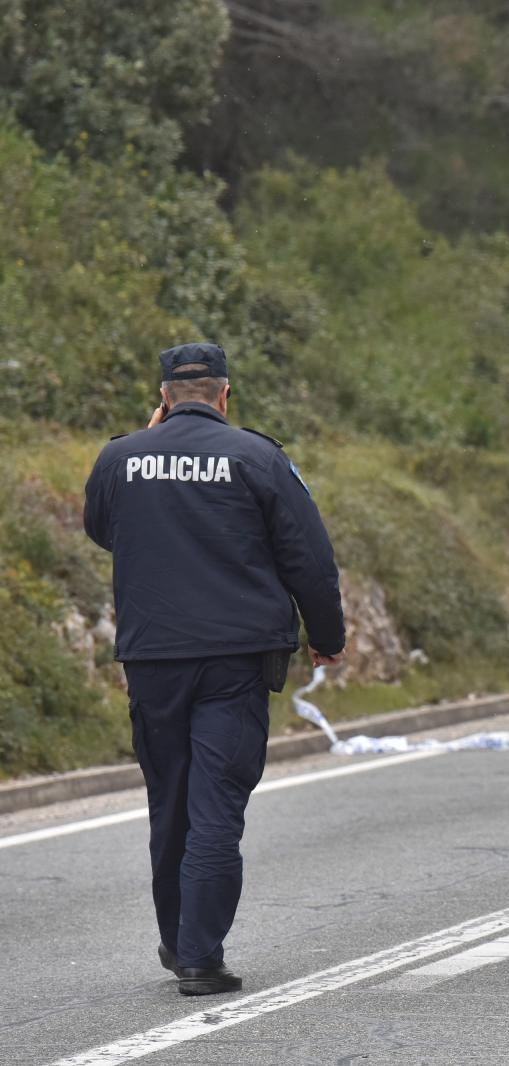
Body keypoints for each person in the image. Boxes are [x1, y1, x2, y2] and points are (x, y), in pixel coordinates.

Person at [83, 342, 346, 996]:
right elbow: (309, 559)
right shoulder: (259, 457)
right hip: (234, 659)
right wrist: (328, 636)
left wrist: (146, 451)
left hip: (152, 659)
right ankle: (201, 955)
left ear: (164, 396)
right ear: (226, 395)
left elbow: (101, 527)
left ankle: (178, 941)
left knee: (169, 802)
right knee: (216, 805)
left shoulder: (119, 459)